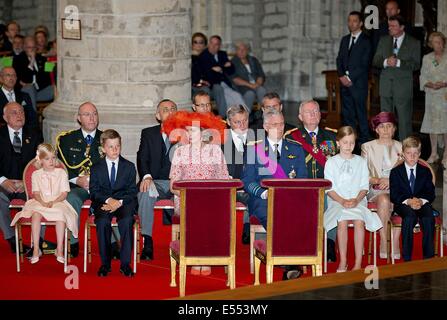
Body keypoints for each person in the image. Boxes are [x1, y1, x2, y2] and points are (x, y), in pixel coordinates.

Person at [242, 109, 307, 280]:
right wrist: (263, 194)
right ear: (265, 126)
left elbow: (302, 179)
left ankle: (290, 261)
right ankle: (291, 263)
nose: (279, 128)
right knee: (274, 216)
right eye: (275, 125)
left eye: (282, 124)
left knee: (299, 213)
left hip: (290, 199)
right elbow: (248, 181)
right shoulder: (254, 150)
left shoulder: (295, 149)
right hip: (263, 200)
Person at [165, 110, 229, 276]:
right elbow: (173, 186)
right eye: (186, 130)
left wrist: (211, 196)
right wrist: (189, 196)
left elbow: (224, 181)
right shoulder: (179, 152)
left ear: (203, 132)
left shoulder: (216, 151)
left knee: (206, 210)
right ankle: (194, 256)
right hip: (186, 199)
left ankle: (205, 257)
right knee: (196, 210)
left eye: (192, 130)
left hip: (211, 200)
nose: (188, 134)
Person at [56, 102, 119, 258]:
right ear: (79, 118)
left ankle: (112, 242)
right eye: (87, 114)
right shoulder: (67, 139)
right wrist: (77, 180)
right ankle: (73, 241)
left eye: (95, 114)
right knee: (72, 198)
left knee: (108, 199)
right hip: (78, 186)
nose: (92, 118)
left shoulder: (107, 138)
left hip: (102, 186)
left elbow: (116, 164)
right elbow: (61, 167)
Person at [285, 100, 338, 261]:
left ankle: (329, 243)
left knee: (332, 203)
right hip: (302, 186)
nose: (313, 114)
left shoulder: (332, 136)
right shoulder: (292, 137)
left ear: (321, 115)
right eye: (309, 112)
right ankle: (305, 244)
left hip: (327, 186)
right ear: (300, 117)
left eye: (316, 111)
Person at [324, 126, 382, 272]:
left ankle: (357, 262)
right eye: (345, 142)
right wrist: (343, 201)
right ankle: (343, 261)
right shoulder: (331, 162)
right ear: (338, 143)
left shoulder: (361, 162)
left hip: (358, 200)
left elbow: (364, 186)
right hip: (337, 201)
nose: (348, 146)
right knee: (342, 222)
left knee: (359, 222)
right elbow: (329, 188)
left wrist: (356, 200)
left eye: (351, 143)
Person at [10, 143, 78, 264]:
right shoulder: (36, 174)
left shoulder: (61, 173)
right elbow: (35, 193)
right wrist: (42, 201)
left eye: (53, 158)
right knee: (36, 214)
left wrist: (53, 201)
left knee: (60, 216)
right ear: (40, 160)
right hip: (39, 201)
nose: (51, 161)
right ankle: (36, 248)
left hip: (58, 201)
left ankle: (59, 249)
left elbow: (64, 194)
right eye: (47, 159)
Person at [90, 129, 138, 277]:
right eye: (111, 146)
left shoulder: (129, 167)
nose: (115, 149)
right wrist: (110, 201)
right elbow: (94, 191)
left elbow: (132, 191)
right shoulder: (96, 168)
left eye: (117, 146)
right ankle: (105, 264)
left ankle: (125, 264)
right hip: (104, 203)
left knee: (127, 221)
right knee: (103, 222)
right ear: (103, 148)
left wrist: (119, 202)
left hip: (124, 203)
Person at [137, 99, 177, 260]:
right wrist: (146, 176)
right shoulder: (148, 133)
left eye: (173, 109)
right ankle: (147, 241)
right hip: (156, 182)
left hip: (179, 182)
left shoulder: (187, 134)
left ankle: (187, 241)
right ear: (158, 115)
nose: (171, 112)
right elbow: (142, 158)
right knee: (145, 192)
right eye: (166, 109)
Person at [0, 102, 42, 252]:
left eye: (21, 112)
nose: (19, 115)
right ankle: (12, 239)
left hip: (28, 184)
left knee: (42, 198)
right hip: (4, 184)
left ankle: (38, 241)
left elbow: (41, 163)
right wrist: (3, 181)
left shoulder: (35, 134)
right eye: (14, 112)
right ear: (5, 117)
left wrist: (27, 183)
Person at [372, 15, 420, 141]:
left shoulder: (414, 42)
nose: (390, 28)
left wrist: (399, 63)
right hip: (386, 86)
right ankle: (386, 148)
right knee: (385, 121)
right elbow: (375, 60)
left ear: (402, 27)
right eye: (389, 25)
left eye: (393, 26)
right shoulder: (384, 40)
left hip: (403, 88)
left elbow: (416, 64)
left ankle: (405, 151)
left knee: (404, 122)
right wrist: (386, 62)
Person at [361, 112, 402, 259]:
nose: (385, 130)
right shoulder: (367, 147)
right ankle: (384, 241)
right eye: (382, 127)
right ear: (376, 130)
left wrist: (391, 181)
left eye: (389, 126)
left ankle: (395, 241)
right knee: (384, 199)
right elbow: (363, 175)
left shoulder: (401, 147)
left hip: (397, 188)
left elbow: (406, 172)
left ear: (394, 129)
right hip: (375, 189)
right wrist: (379, 181)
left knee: (400, 198)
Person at [390, 136, 436, 262]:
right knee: (409, 217)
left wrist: (421, 201)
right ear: (403, 154)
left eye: (415, 153)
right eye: (409, 153)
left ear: (420, 154)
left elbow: (430, 193)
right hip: (403, 204)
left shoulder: (425, 171)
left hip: (422, 202)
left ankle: (429, 256)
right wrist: (409, 201)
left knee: (428, 217)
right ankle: (407, 257)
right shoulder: (396, 172)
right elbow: (394, 194)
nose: (412, 156)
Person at [336, 11, 372, 145]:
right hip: (344, 84)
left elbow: (365, 63)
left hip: (358, 84)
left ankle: (364, 141)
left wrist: (350, 78)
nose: (351, 23)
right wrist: (341, 76)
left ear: (361, 23)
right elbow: (339, 59)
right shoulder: (345, 39)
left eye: (354, 21)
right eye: (349, 21)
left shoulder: (366, 41)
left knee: (361, 113)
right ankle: (350, 140)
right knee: (347, 114)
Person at [223, 105, 254, 244]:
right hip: (228, 186)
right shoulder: (221, 140)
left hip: (249, 186)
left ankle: (247, 227)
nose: (242, 125)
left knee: (255, 194)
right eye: (237, 122)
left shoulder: (257, 138)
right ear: (229, 122)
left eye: (245, 120)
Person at [198, 35, 245, 118]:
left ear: (219, 46)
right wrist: (223, 67)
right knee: (230, 99)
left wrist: (219, 68)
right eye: (211, 43)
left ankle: (243, 117)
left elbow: (231, 70)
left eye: (216, 44)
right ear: (209, 44)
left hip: (226, 83)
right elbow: (208, 74)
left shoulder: (222, 54)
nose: (213, 46)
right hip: (214, 85)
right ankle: (235, 118)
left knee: (237, 96)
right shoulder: (203, 55)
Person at [419, 32, 447, 166]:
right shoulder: (427, 58)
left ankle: (446, 153)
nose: (438, 45)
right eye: (435, 42)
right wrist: (430, 84)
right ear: (431, 44)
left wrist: (444, 83)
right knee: (432, 124)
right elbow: (422, 76)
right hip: (431, 95)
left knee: (445, 124)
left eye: (440, 42)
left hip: (445, 95)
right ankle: (434, 153)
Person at [13, 36, 54, 113]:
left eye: (33, 47)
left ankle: (54, 115)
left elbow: (46, 79)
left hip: (39, 91)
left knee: (54, 89)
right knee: (29, 88)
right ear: (24, 47)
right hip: (24, 92)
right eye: (29, 47)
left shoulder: (41, 59)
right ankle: (33, 118)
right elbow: (24, 78)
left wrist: (34, 82)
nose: (31, 50)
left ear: (36, 48)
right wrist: (31, 63)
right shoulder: (18, 59)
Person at [231, 41, 266, 113]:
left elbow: (260, 74)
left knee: (262, 90)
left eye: (244, 49)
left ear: (247, 50)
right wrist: (250, 85)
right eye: (239, 49)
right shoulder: (232, 62)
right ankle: (246, 115)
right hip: (242, 86)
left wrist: (258, 83)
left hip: (256, 84)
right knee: (250, 94)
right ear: (236, 51)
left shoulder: (253, 60)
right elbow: (235, 79)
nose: (242, 51)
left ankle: (265, 114)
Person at [191, 32, 211, 97]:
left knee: (205, 91)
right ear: (192, 44)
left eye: (201, 42)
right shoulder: (188, 58)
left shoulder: (208, 57)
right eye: (195, 42)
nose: (198, 45)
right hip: (190, 86)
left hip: (204, 87)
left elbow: (209, 75)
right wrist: (201, 80)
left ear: (205, 45)